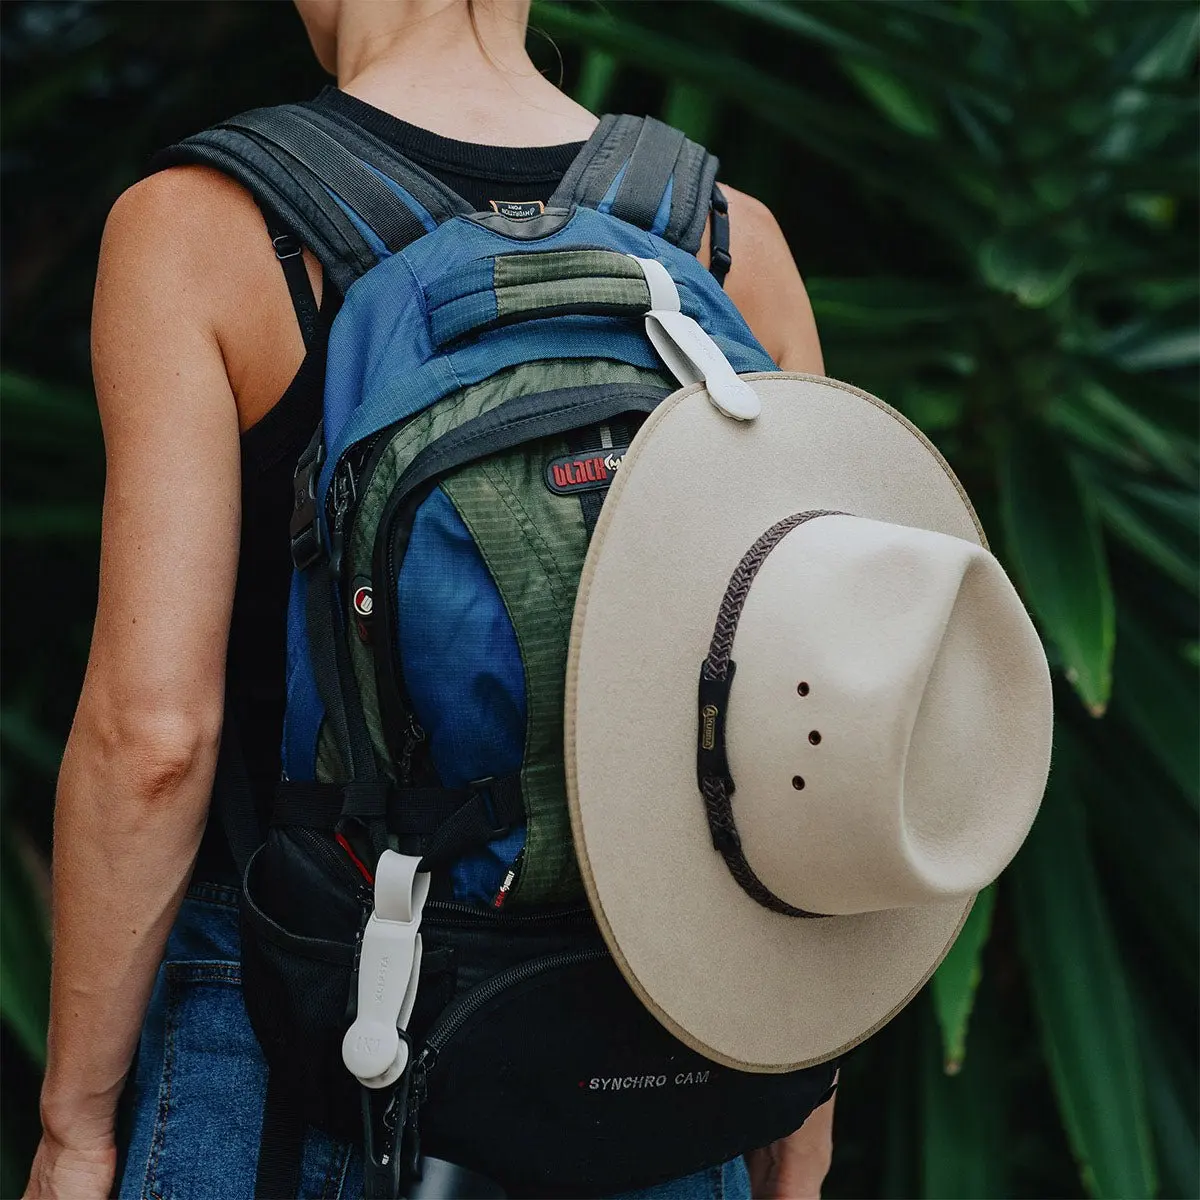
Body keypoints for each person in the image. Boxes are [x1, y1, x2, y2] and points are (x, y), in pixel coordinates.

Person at [25, 2, 834, 1197]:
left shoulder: (202, 231)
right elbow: (824, 733)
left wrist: (72, 1133)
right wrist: (792, 1148)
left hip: (301, 1037)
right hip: (671, 1054)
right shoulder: (725, 241)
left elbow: (155, 739)